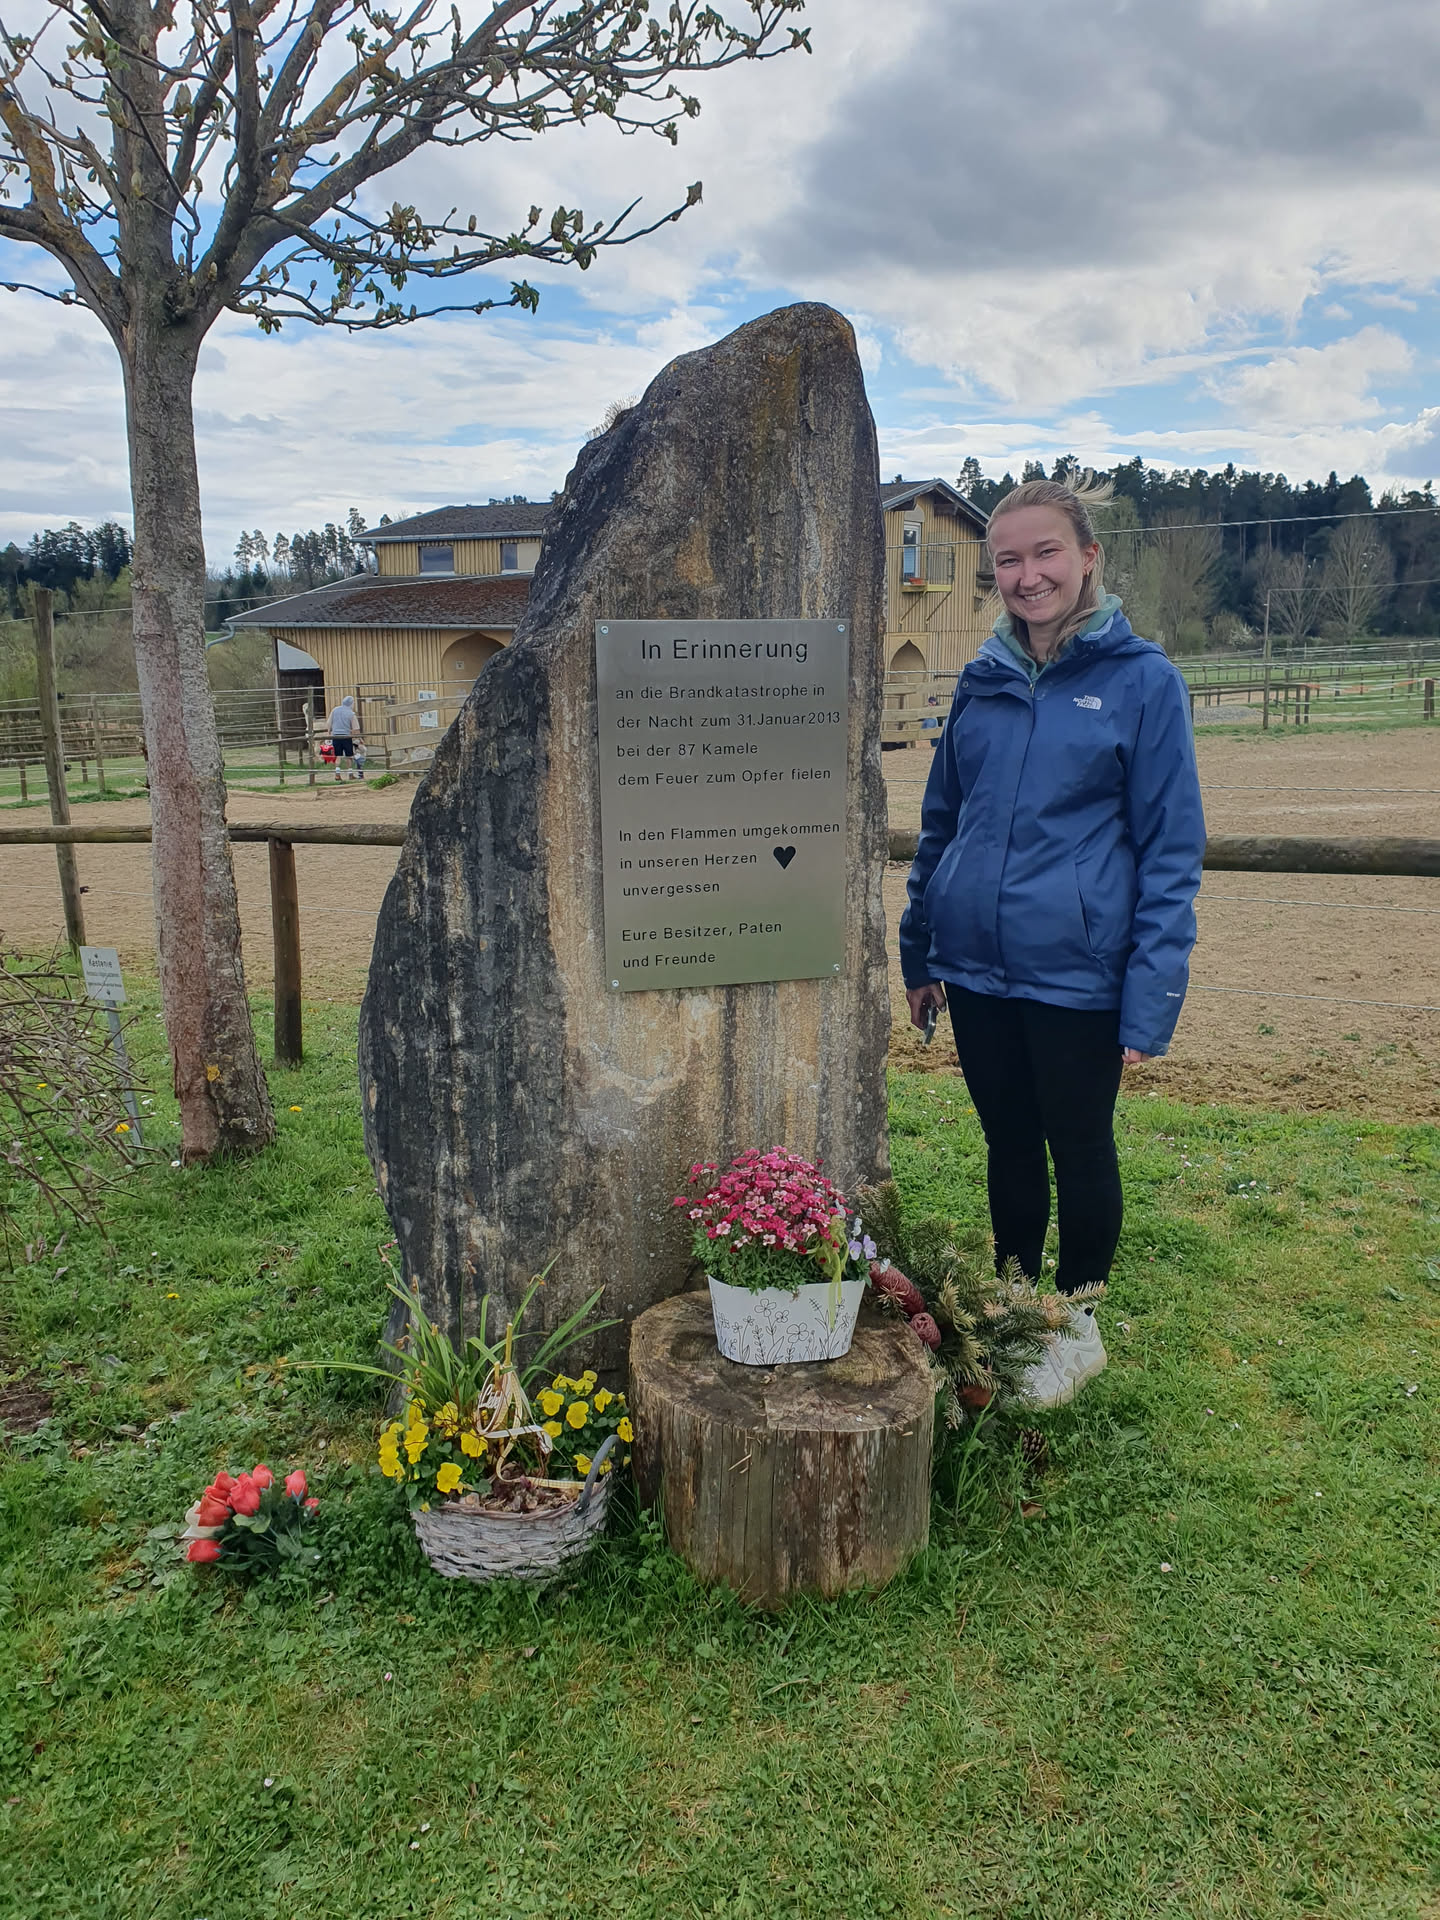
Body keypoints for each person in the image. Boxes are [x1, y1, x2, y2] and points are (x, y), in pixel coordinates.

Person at [899, 477, 1205, 1409]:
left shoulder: (1143, 683)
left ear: (1087, 558)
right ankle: (1013, 1307)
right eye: (1008, 560)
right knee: (1007, 1142)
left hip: (1079, 974)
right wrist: (921, 949)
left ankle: (1074, 1322)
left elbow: (1171, 851)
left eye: (1046, 554)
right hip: (978, 968)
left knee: (1078, 1143)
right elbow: (942, 824)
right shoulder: (982, 679)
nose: (1027, 576)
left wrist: (1151, 995)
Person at [327, 694, 363, 782]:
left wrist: (329, 732)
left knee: (338, 756)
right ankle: (350, 774)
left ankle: (337, 774)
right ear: (351, 703)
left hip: (336, 736)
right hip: (346, 736)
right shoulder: (351, 713)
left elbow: (329, 723)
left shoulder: (335, 710)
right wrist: (359, 738)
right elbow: (356, 728)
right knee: (349, 756)